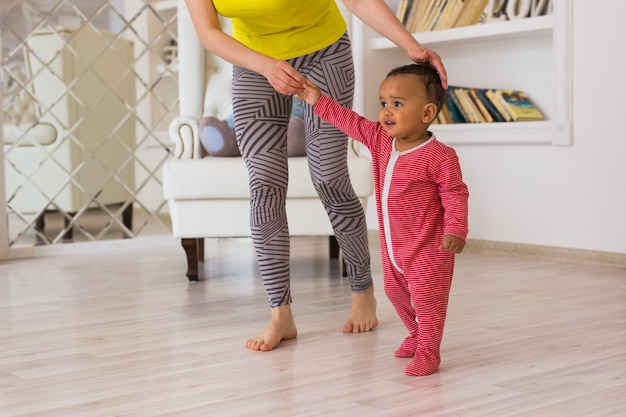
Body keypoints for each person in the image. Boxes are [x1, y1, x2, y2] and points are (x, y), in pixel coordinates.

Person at [184, 0, 449, 352]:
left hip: (324, 54)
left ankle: (362, 291)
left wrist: (410, 45)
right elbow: (209, 32)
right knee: (264, 184)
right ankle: (281, 314)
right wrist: (266, 66)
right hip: (252, 61)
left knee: (329, 176)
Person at [297, 63, 469, 376]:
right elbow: (349, 121)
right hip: (394, 246)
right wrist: (316, 99)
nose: (387, 111)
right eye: (384, 103)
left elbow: (455, 194)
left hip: (429, 248)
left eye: (398, 104)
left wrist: (456, 228)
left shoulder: (440, 156)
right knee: (394, 290)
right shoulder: (380, 140)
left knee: (428, 301)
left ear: (427, 113)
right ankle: (416, 334)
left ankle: (429, 351)